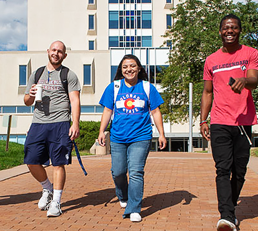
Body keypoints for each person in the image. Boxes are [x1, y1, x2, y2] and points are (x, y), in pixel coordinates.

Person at [200, 14, 258, 231]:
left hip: (243, 122)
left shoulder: (250, 53)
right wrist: (202, 120)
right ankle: (226, 216)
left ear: (239, 31)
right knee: (222, 169)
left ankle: (230, 208)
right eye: (226, 27)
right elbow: (207, 92)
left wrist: (245, 80)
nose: (229, 31)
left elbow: (254, 80)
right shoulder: (211, 60)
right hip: (219, 121)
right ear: (220, 31)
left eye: (234, 28)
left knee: (240, 170)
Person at [97, 54, 166, 222]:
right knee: (118, 172)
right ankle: (123, 195)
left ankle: (134, 208)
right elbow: (107, 111)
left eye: (132, 66)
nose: (129, 69)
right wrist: (101, 131)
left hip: (141, 136)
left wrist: (161, 133)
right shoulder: (113, 87)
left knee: (136, 171)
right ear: (121, 70)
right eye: (125, 67)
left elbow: (155, 111)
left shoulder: (148, 87)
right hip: (118, 137)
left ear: (139, 68)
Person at [23, 40, 81, 217]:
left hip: (60, 123)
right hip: (38, 123)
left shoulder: (68, 75)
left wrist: (75, 123)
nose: (56, 53)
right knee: (31, 160)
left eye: (60, 51)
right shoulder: (37, 73)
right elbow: (26, 102)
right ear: (48, 51)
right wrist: (31, 95)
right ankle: (47, 188)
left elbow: (75, 100)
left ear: (64, 55)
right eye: (54, 50)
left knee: (58, 163)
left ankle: (56, 202)